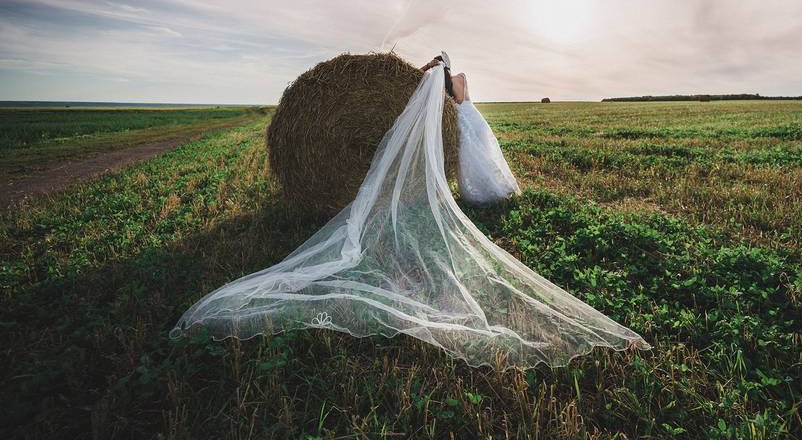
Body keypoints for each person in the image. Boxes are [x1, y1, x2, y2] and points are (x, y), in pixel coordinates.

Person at [169, 52, 648, 369]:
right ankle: (492, 193)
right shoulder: (449, 82)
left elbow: (435, 85)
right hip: (461, 114)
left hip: (457, 113)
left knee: (478, 162)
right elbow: (438, 85)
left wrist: (426, 77)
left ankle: (490, 192)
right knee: (483, 167)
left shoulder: (447, 83)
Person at [419, 52, 520, 206]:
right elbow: (462, 99)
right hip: (475, 120)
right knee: (484, 155)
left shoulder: (442, 86)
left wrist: (428, 66)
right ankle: (497, 188)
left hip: (462, 124)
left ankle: (484, 193)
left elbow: (417, 77)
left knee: (470, 159)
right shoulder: (461, 77)